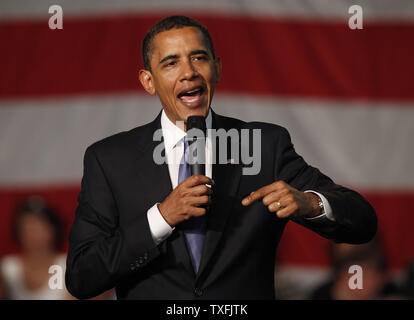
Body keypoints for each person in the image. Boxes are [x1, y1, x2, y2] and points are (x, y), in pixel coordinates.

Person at [65, 15, 377, 299]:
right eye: (171, 63)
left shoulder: (264, 146)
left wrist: (311, 202)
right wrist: (162, 218)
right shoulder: (109, 160)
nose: (189, 72)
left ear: (217, 68)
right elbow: (81, 277)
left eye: (198, 58)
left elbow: (362, 222)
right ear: (149, 81)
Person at [0, 196, 72, 299]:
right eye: (27, 228)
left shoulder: (69, 266)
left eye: (39, 226)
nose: (33, 233)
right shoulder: (8, 268)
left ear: (54, 230)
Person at [310, 238, 400, 300]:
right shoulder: (323, 294)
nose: (358, 282)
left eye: (366, 275)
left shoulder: (394, 292)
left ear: (381, 277)